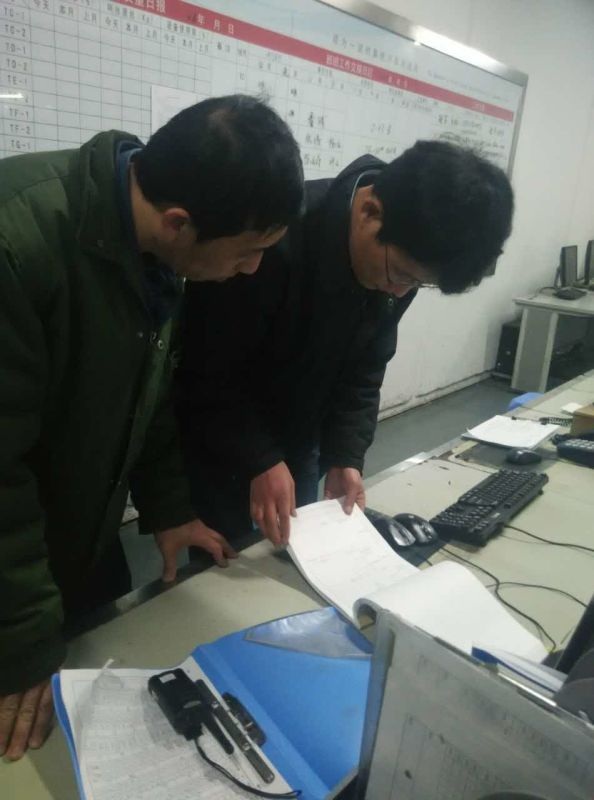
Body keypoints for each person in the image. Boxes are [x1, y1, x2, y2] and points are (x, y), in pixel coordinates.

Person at [0, 95, 303, 760]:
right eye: (248, 252)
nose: (253, 269)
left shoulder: (158, 250)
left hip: (73, 537)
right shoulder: (17, 245)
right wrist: (21, 644)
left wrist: (168, 511)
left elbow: (149, 395)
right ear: (178, 223)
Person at [176, 140, 514, 547]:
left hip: (300, 440)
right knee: (225, 565)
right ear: (370, 211)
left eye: (416, 284)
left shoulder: (398, 263)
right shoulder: (270, 242)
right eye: (401, 274)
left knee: (290, 553)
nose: (399, 291)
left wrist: (345, 456)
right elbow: (205, 372)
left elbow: (365, 368)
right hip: (220, 438)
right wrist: (259, 460)